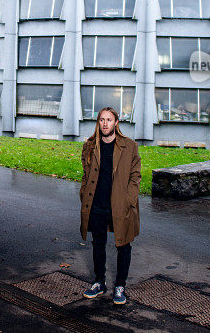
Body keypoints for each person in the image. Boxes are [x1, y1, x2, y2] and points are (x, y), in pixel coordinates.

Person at [79, 106, 141, 305]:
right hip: (97, 204)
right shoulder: (90, 145)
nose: (105, 124)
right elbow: (85, 174)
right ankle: (99, 282)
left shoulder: (129, 146)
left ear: (116, 123)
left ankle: (120, 286)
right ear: (98, 122)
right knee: (98, 244)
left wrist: (129, 199)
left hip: (120, 204)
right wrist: (84, 193)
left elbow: (136, 175)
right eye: (101, 120)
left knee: (123, 244)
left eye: (109, 120)